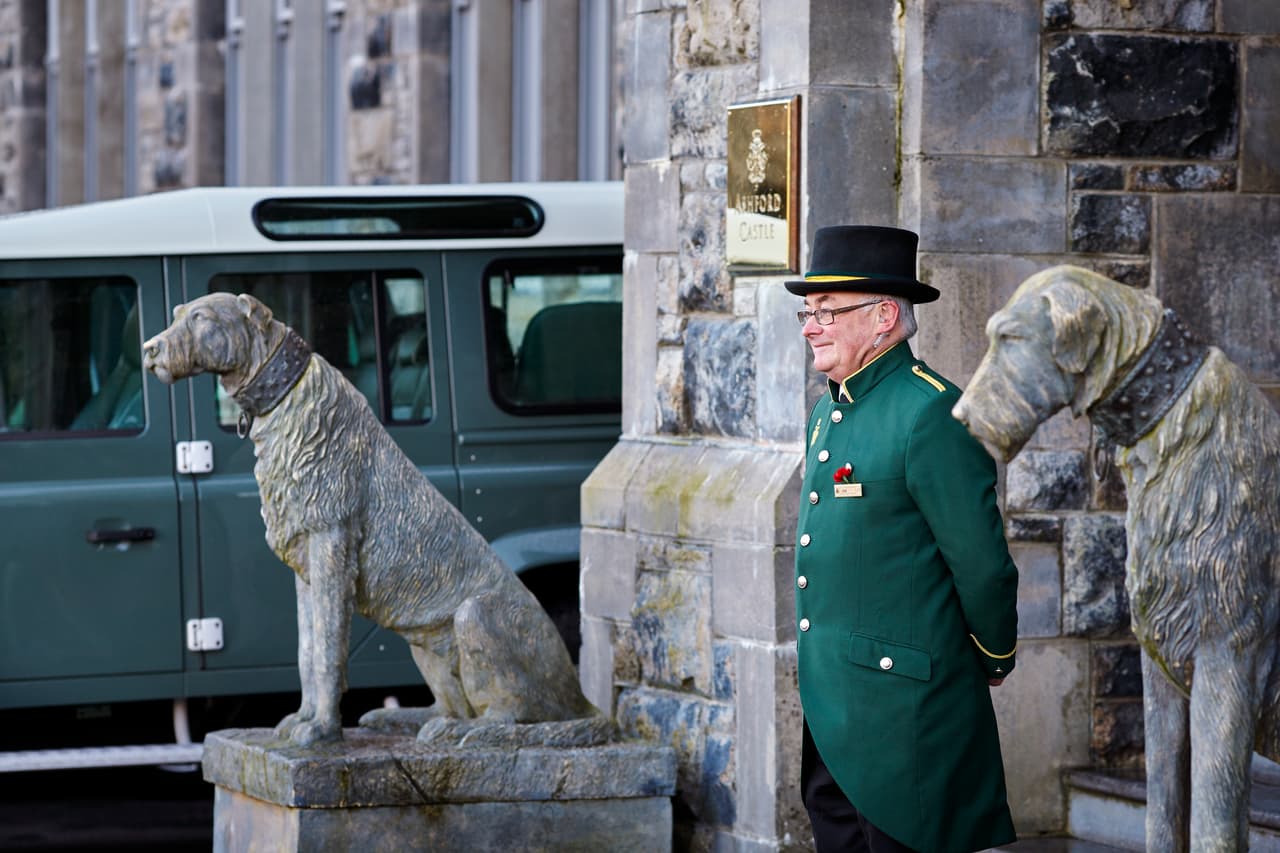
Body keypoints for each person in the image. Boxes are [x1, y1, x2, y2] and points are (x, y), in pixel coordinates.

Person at [786, 225, 1019, 853]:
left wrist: (993, 655)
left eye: (828, 312)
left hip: (904, 717)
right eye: (808, 312)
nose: (811, 326)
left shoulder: (929, 413)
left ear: (885, 315)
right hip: (834, 715)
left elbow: (981, 565)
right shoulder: (831, 408)